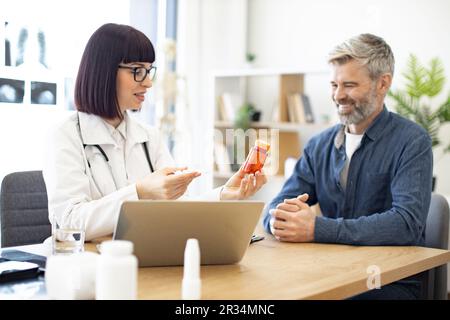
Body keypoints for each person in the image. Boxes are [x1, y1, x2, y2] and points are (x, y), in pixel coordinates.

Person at [43, 23, 266, 241]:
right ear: (104, 71)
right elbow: (69, 222)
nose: (148, 82)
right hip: (88, 265)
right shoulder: (66, 135)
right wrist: (140, 192)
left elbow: (178, 208)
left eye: (149, 71)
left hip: (143, 258)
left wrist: (225, 194)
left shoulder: (150, 137)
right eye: (137, 71)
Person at [262, 34, 432, 299]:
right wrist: (279, 220)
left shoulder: (411, 141)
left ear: (383, 83)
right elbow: (278, 204)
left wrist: (317, 229)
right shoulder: (319, 145)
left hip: (385, 279)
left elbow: (406, 223)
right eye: (334, 84)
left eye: (350, 85)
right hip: (330, 272)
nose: (338, 95)